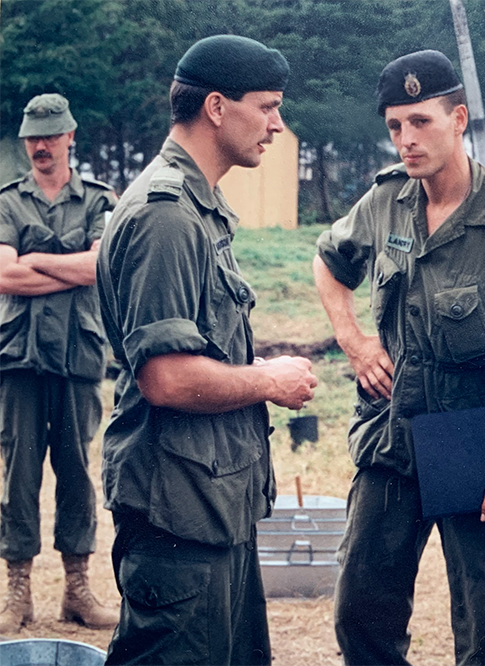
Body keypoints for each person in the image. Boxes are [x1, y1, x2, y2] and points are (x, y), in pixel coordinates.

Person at [313, 50, 485, 665]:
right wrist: (355, 339)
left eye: (421, 122)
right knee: (359, 608)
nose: (406, 139)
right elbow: (328, 260)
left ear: (459, 117)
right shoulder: (384, 203)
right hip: (392, 433)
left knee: (482, 624)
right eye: (395, 126)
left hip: (476, 436)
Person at [97, 35, 317, 664]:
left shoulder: (199, 205)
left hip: (209, 505)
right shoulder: (166, 214)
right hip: (176, 515)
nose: (278, 125)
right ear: (217, 107)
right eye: (268, 106)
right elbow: (165, 378)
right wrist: (268, 379)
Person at [0, 93, 120, 634]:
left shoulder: (97, 199)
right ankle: (17, 595)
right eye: (32, 137)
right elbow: (3, 276)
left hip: (77, 354)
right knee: (18, 475)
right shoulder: (7, 202)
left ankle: (77, 591)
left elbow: (101, 267)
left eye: (49, 136)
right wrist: (66, 266)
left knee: (75, 472)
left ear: (71, 136)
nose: (40, 146)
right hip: (18, 356)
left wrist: (36, 259)